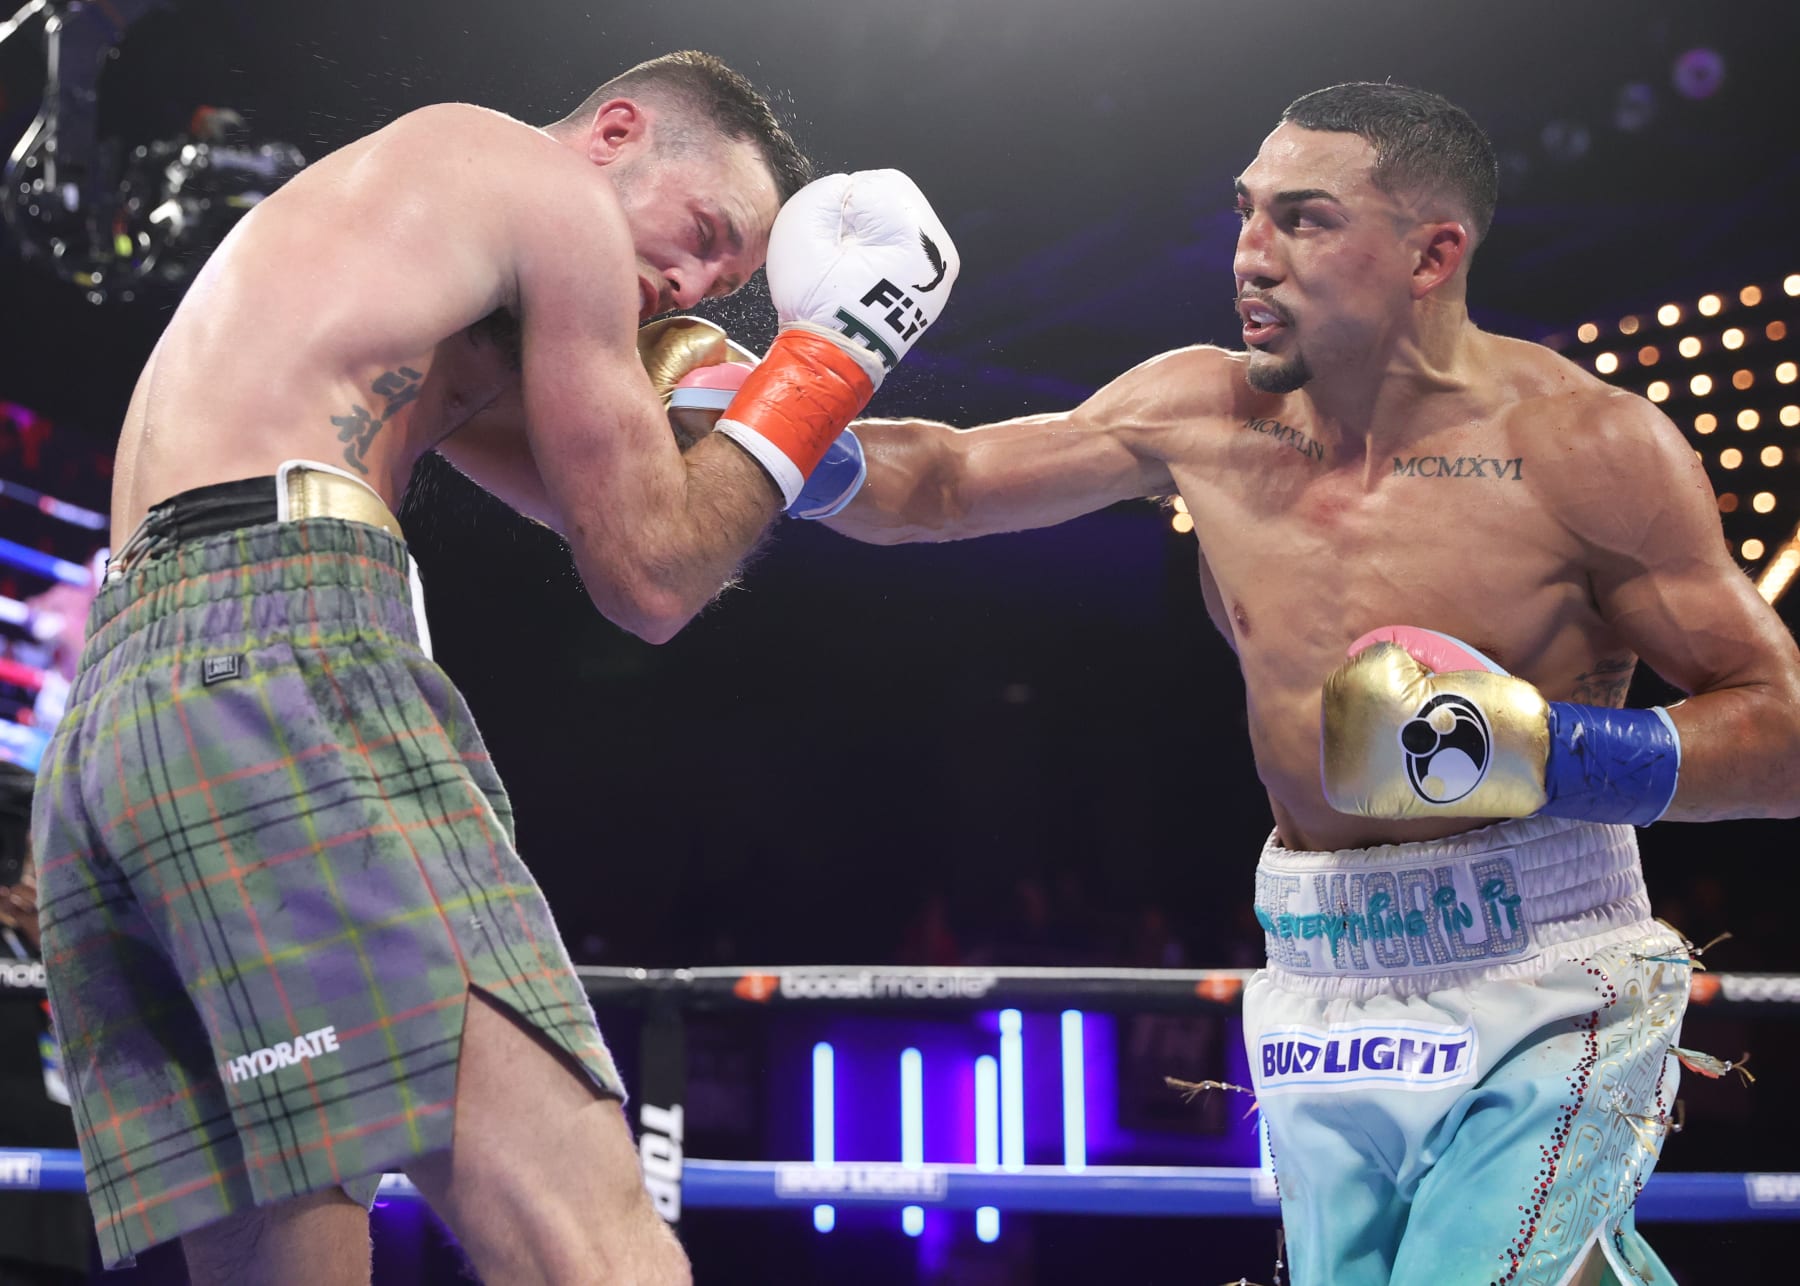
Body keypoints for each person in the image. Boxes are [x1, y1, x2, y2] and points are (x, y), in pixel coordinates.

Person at [794, 82, 1800, 1285]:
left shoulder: (1588, 448)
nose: (1250, 255)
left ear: (1435, 253)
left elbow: (1782, 731)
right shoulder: (1201, 408)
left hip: (1546, 956)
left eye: (1305, 219)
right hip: (1319, 966)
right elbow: (952, 481)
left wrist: (1542, 748)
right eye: (1245, 213)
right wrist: (780, 425)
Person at [29, 47, 957, 1284]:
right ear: (617, 132)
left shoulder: (399, 272)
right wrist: (836, 346)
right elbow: (655, 572)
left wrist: (792, 423)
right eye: (701, 232)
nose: (688, 282)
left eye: (721, 281)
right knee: (589, 1235)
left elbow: (692, 504)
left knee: (280, 1255)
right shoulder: (542, 183)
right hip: (280, 660)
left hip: (118, 720)